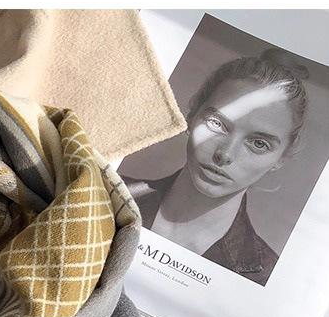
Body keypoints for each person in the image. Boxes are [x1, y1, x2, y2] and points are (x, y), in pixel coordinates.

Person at [124, 47, 309, 285]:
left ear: (281, 158)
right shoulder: (106, 192)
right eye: (217, 123)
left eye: (259, 143)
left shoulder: (265, 278)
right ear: (192, 116)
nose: (225, 154)